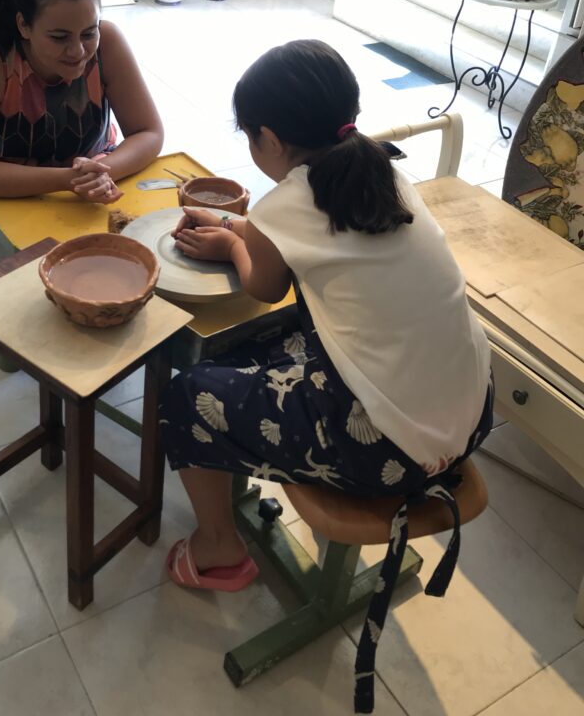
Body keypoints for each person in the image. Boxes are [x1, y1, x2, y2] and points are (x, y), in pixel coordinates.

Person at [159, 40, 493, 713]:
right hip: (468, 412)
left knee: (188, 394)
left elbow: (261, 285)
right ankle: (246, 482)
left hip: (384, 447)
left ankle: (220, 550)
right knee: (257, 350)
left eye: (250, 137)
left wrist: (232, 240)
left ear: (271, 140)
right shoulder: (382, 171)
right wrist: (242, 228)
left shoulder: (287, 204)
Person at [0, 0, 163, 262]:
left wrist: (99, 174)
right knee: (51, 265)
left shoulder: (109, 42)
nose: (78, 51)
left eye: (89, 32)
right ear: (24, 26)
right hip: (0, 191)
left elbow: (149, 132)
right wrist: (68, 180)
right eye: (59, 37)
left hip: (95, 176)